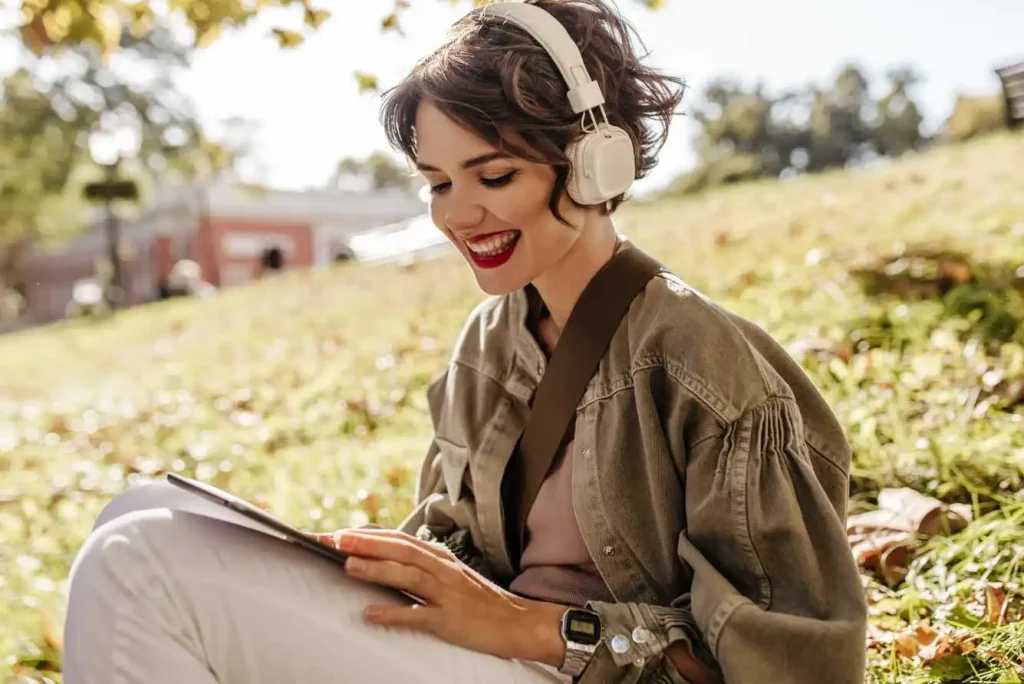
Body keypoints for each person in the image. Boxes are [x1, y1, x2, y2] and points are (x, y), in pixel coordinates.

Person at [61, 1, 868, 682]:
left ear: (591, 161)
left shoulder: (706, 368)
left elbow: (789, 657)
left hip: (558, 667)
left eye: (493, 177)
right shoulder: (490, 341)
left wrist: (540, 630)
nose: (456, 216)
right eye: (439, 184)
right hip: (482, 656)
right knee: (137, 515)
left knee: (138, 569)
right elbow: (459, 544)